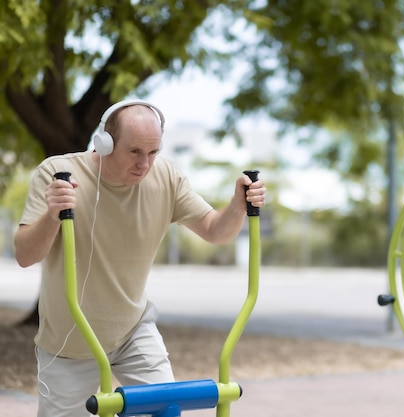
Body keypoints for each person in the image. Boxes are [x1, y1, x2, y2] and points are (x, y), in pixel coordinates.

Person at [13, 99, 266, 417]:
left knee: (164, 408)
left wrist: (237, 206)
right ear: (104, 143)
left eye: (153, 152)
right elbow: (25, 255)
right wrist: (53, 214)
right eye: (134, 152)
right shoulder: (57, 173)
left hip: (133, 330)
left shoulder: (166, 178)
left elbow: (215, 230)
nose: (144, 164)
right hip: (69, 339)